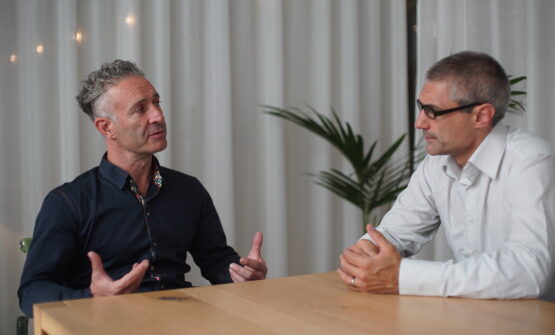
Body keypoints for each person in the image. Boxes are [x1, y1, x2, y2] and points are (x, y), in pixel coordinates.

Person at [18, 60, 267, 317]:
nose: (158, 116)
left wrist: (242, 274)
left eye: (156, 102)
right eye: (140, 109)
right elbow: (32, 292)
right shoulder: (67, 202)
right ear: (106, 127)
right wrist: (92, 298)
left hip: (181, 321)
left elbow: (215, 260)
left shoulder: (189, 190)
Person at [338, 51, 555, 299]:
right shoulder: (435, 164)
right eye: (421, 108)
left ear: (481, 115)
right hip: (469, 316)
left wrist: (401, 277)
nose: (419, 123)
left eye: (433, 111)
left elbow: (527, 272)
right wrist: (363, 258)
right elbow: (395, 234)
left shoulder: (531, 160)